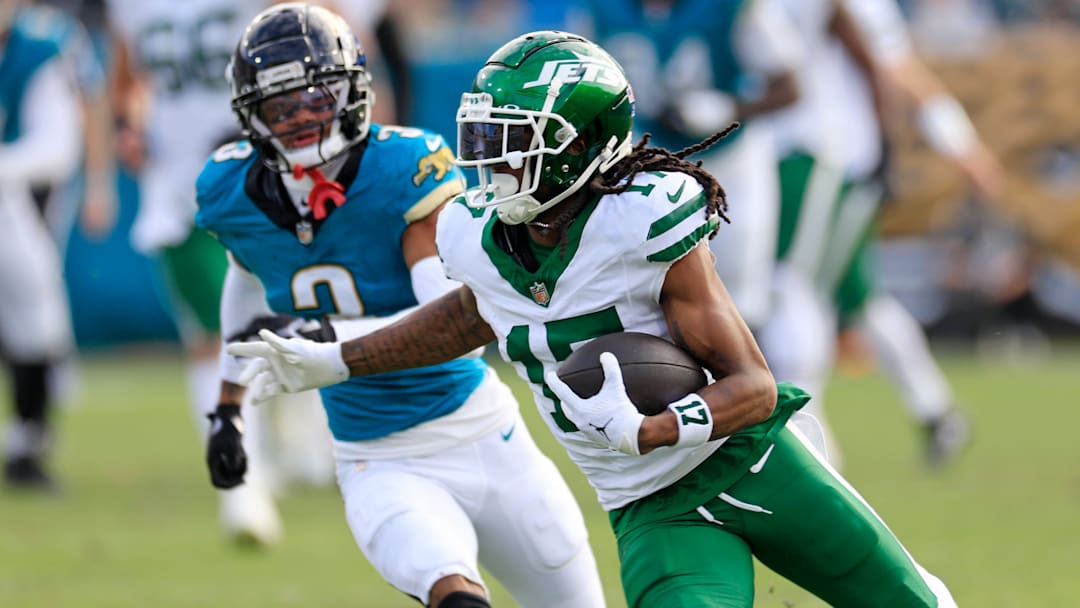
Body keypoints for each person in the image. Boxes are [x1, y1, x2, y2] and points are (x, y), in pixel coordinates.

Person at [230, 30, 958, 607]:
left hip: (757, 463)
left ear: (579, 147)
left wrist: (656, 427)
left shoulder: (642, 219)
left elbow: (755, 389)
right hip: (651, 508)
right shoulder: (474, 238)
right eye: (487, 142)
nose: (492, 166)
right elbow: (468, 318)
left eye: (515, 145)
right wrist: (337, 359)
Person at [199, 6, 605, 608]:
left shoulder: (400, 170)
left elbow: (451, 319)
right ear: (251, 116)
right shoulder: (233, 192)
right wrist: (227, 408)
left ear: (351, 92)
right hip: (376, 459)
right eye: (281, 107)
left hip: (480, 433)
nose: (302, 119)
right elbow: (246, 283)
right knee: (457, 599)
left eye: (315, 98)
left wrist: (326, 338)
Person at [104, 0, 337, 546]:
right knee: (213, 330)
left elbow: (321, 38)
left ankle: (299, 438)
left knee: (292, 313)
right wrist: (129, 127)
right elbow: (126, 82)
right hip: (179, 184)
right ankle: (241, 480)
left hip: (270, 173)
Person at [574, 0, 803, 333]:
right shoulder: (599, 10)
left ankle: (744, 377)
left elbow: (790, 87)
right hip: (645, 160)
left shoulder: (735, 8)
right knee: (644, 294)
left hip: (730, 161)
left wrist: (728, 107)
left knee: (738, 296)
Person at [0, 0, 82, 490]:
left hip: (12, 200)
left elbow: (58, 148)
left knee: (34, 300)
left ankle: (29, 439)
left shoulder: (40, 47)